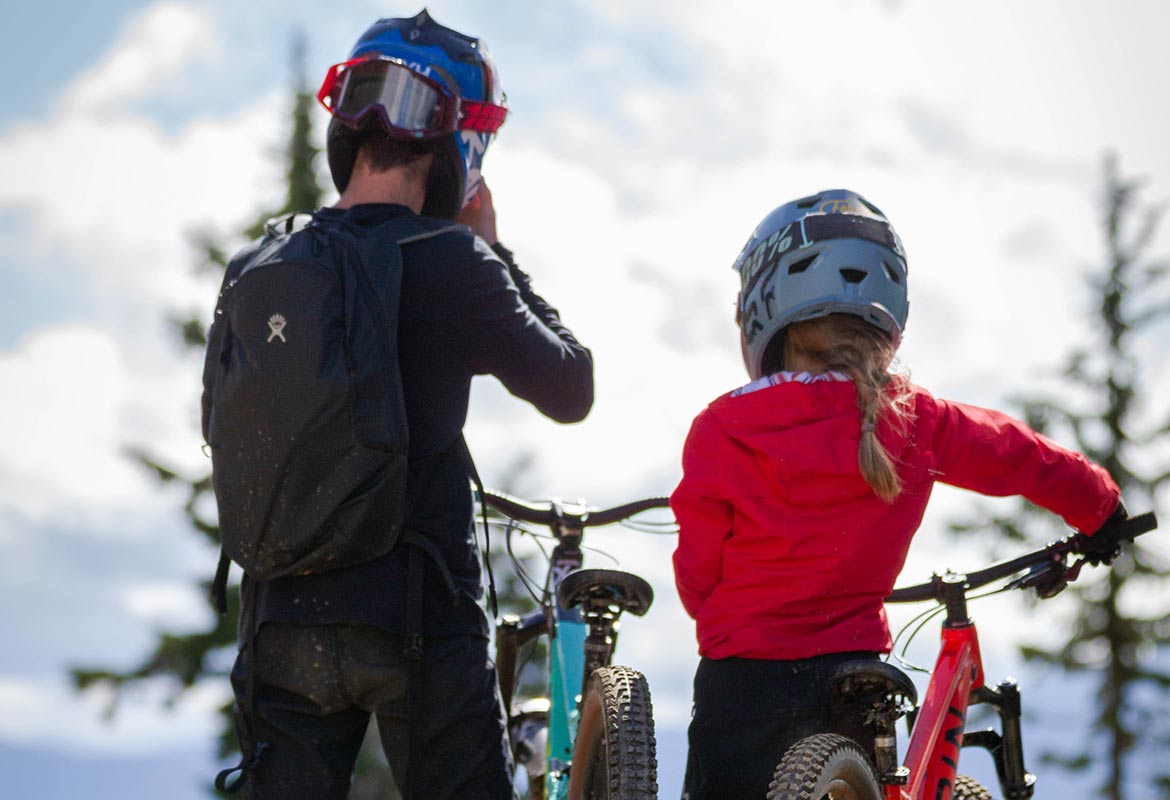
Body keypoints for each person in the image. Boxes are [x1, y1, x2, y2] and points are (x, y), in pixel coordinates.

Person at [222, 11, 593, 799]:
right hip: (417, 625)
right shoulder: (453, 260)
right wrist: (495, 252)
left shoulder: (262, 263)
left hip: (282, 622)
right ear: (463, 144)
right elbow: (571, 386)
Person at [670, 189, 1124, 799]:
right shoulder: (920, 419)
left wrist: (721, 614)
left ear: (766, 309)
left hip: (746, 683)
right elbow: (1017, 453)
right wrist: (1101, 508)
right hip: (858, 675)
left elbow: (698, 575)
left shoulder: (724, 427)